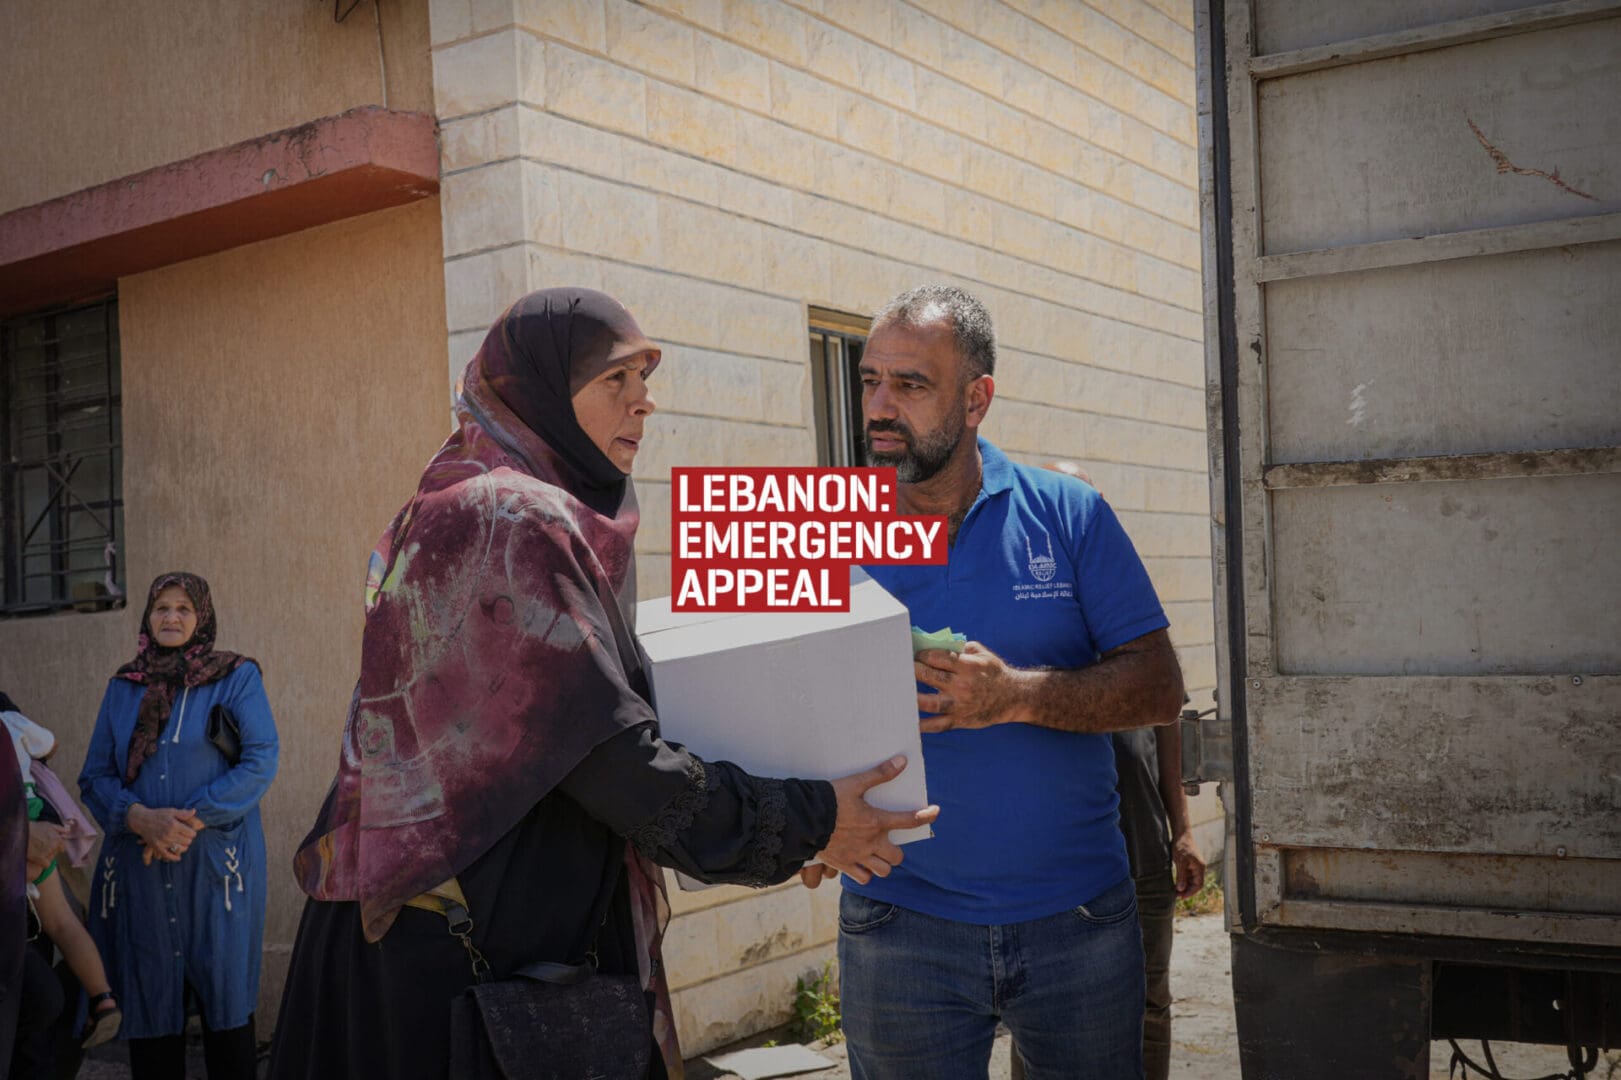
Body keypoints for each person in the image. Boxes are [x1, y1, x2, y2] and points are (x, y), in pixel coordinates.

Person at [267, 288, 937, 1080]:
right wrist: (813, 817)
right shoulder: (506, 519)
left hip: (486, 948)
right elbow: (614, 760)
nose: (643, 402)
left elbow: (596, 719)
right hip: (454, 972)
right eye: (615, 378)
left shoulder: (511, 504)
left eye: (644, 377)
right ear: (541, 391)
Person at [802, 285, 1185, 1080]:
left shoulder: (1069, 514)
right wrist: (796, 819)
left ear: (976, 399)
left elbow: (1156, 687)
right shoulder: (821, 529)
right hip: (898, 926)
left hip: (1079, 922)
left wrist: (1015, 696)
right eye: (870, 380)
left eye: (910, 385)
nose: (879, 406)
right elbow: (770, 700)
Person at [1012, 463, 1208, 1080]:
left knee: (1148, 1004)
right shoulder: (1027, 615)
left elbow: (1168, 720)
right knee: (1038, 1015)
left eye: (1089, 504)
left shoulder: (1126, 604)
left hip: (1141, 851)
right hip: (1055, 863)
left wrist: (1183, 831)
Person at [78, 573, 279, 1080]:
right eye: (161, 608)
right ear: (148, 617)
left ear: (201, 616)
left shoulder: (235, 677)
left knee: (226, 1003)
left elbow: (260, 760)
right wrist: (138, 818)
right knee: (151, 1004)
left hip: (217, 869)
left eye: (183, 608)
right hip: (142, 870)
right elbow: (95, 776)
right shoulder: (124, 686)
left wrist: (187, 821)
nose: (171, 617)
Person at [2, 696, 121, 1061]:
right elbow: (50, 744)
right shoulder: (12, 722)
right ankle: (103, 997)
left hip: (21, 826)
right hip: (29, 817)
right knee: (63, 924)